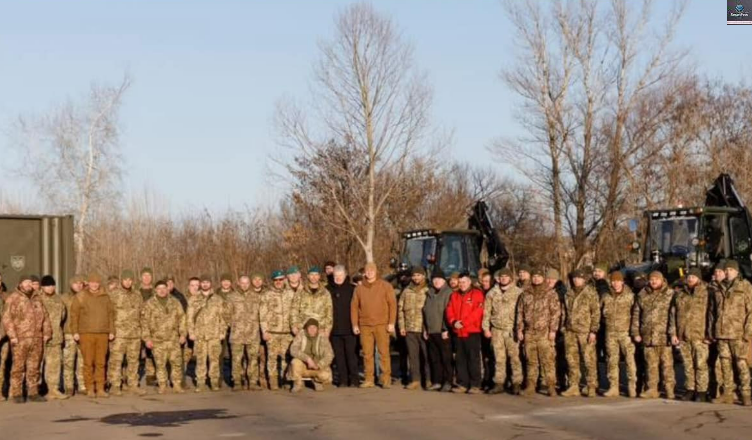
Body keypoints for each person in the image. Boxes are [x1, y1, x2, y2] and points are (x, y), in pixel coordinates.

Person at [2, 274, 51, 403]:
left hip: (37, 338)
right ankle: (17, 393)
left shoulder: (37, 298)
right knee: (18, 367)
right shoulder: (13, 298)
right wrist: (12, 336)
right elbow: (7, 319)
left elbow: (45, 317)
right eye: (26, 282)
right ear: (20, 284)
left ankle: (33, 392)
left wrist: (46, 333)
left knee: (34, 367)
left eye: (30, 282)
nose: (28, 284)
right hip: (20, 338)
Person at [711, 260, 752, 406]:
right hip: (722, 333)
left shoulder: (745, 286)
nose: (727, 272)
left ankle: (746, 393)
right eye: (726, 269)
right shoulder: (718, 287)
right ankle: (727, 393)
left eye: (730, 269)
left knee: (741, 363)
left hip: (738, 333)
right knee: (724, 364)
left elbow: (750, 311)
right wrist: (712, 331)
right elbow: (713, 312)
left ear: (737, 271)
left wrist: (747, 332)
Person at [351, 262, 396, 389]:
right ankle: (369, 379)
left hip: (382, 324)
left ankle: (386, 378)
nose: (370, 272)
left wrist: (391, 323)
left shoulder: (385, 286)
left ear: (376, 271)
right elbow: (354, 307)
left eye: (372, 270)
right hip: (365, 325)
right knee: (367, 353)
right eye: (367, 270)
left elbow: (392, 304)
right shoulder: (359, 288)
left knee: (384, 353)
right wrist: (355, 324)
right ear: (364, 272)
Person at [517, 268, 561, 397]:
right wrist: (519, 329)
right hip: (529, 332)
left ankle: (551, 386)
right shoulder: (525, 294)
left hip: (544, 332)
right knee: (531, 361)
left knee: (548, 360)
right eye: (534, 276)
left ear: (543, 278)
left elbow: (555, 313)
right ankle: (530, 386)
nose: (536, 279)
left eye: (539, 276)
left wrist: (553, 330)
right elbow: (520, 312)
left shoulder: (550, 293)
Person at [70, 273, 115, 398]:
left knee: (101, 362)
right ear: (88, 283)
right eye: (92, 282)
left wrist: (112, 331)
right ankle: (89, 387)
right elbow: (74, 315)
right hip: (86, 333)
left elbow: (111, 314)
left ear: (99, 283)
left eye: (97, 282)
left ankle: (100, 388)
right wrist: (75, 332)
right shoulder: (81, 296)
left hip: (102, 333)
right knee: (88, 362)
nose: (94, 284)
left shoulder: (105, 296)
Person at [632, 271, 676, 399]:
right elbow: (636, 314)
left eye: (656, 279)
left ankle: (669, 389)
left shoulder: (670, 294)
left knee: (667, 366)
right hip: (648, 336)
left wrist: (673, 333)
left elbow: (674, 315)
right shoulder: (642, 294)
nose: (654, 281)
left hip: (664, 337)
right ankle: (652, 389)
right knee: (650, 365)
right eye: (651, 279)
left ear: (662, 280)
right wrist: (635, 332)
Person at [671, 267, 711, 402]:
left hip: (700, 335)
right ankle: (690, 389)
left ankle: (702, 391)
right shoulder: (680, 294)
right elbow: (673, 314)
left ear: (698, 278)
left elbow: (711, 314)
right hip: (684, 335)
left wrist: (709, 334)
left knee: (700, 364)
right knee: (687, 365)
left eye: (693, 277)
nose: (690, 279)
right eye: (688, 277)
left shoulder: (706, 293)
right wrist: (674, 333)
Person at [141, 280, 187, 394]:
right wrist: (147, 339)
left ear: (167, 289)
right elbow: (144, 322)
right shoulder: (150, 303)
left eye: (164, 288)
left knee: (176, 363)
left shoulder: (175, 302)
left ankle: (176, 384)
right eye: (159, 288)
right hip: (157, 339)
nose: (162, 290)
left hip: (173, 338)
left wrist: (183, 334)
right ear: (155, 290)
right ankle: (162, 384)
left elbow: (182, 319)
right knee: (160, 364)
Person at [482, 268, 523, 395]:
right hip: (496, 330)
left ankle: (516, 383)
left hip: (511, 330)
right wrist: (486, 328)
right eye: (502, 276)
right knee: (499, 358)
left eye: (506, 276)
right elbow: (486, 312)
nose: (504, 278)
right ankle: (499, 383)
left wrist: (520, 329)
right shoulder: (492, 293)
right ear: (498, 278)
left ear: (510, 278)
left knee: (514, 357)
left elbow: (521, 312)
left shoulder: (518, 292)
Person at [560, 269, 600, 398]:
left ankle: (591, 386)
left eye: (579, 278)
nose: (576, 280)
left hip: (585, 331)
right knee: (572, 360)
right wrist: (563, 327)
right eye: (574, 278)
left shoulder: (591, 293)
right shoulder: (569, 293)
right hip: (570, 331)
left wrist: (593, 331)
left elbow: (596, 313)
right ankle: (574, 386)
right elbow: (564, 311)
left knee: (589, 360)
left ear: (584, 279)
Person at [108, 270, 146, 396]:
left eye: (130, 280)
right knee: (116, 361)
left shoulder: (137, 295)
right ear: (121, 280)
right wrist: (111, 331)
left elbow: (142, 314)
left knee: (134, 361)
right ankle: (115, 385)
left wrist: (142, 332)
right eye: (125, 280)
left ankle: (133, 385)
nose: (128, 282)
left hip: (135, 334)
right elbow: (109, 314)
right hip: (119, 334)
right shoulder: (114, 294)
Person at [446, 272, 485, 394]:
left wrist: (464, 323)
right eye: (460, 282)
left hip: (472, 331)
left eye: (464, 282)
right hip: (458, 332)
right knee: (460, 359)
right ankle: (462, 383)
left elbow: (478, 312)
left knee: (473, 358)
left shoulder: (477, 294)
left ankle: (475, 384)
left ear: (469, 282)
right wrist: (453, 322)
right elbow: (449, 310)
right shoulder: (454, 295)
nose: (462, 285)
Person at [187, 277, 227, 392]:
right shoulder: (193, 299)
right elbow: (189, 317)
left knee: (214, 359)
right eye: (203, 282)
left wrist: (222, 332)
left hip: (214, 335)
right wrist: (191, 332)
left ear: (211, 283)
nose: (205, 284)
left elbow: (223, 317)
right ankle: (200, 382)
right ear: (201, 284)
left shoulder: (218, 299)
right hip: (200, 335)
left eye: (207, 282)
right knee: (200, 360)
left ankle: (214, 382)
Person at [601, 271, 636, 397]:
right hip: (610, 333)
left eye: (618, 281)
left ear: (622, 282)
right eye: (613, 281)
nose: (615, 283)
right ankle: (613, 387)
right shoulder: (606, 296)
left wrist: (633, 331)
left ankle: (632, 387)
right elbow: (601, 314)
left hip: (626, 333)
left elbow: (636, 314)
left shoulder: (630, 296)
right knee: (611, 360)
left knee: (630, 360)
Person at [260, 270, 295, 390]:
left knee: (287, 358)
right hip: (272, 332)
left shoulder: (291, 293)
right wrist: (264, 331)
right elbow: (262, 314)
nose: (278, 282)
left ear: (284, 279)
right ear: (273, 281)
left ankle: (285, 379)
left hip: (287, 332)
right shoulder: (267, 294)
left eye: (280, 279)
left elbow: (295, 312)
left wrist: (295, 328)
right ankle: (273, 381)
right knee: (272, 358)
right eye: (276, 280)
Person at [227, 274, 263, 391]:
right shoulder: (231, 297)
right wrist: (233, 325)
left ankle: (252, 382)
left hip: (253, 333)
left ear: (250, 283)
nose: (244, 285)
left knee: (253, 359)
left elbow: (261, 314)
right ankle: (237, 382)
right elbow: (226, 314)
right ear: (238, 283)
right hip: (237, 334)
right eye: (242, 283)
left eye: (247, 283)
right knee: (236, 359)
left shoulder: (256, 297)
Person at [398, 266, 430, 390]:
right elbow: (400, 309)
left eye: (419, 275)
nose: (416, 277)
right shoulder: (407, 291)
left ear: (423, 276)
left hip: (423, 329)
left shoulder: (428, 290)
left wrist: (428, 328)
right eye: (414, 275)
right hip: (410, 328)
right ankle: (415, 379)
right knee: (413, 356)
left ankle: (428, 379)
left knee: (426, 356)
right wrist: (402, 326)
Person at [329, 265, 359, 388]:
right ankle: (343, 380)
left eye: (340, 276)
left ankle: (354, 380)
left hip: (350, 328)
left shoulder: (353, 289)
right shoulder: (328, 289)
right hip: (334, 330)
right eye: (336, 276)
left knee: (351, 355)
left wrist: (356, 324)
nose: (338, 278)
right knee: (339, 356)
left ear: (345, 275)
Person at [423, 269, 453, 392]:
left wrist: (446, 328)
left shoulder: (448, 293)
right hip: (431, 331)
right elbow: (425, 312)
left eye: (439, 279)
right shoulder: (429, 294)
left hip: (443, 331)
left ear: (444, 280)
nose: (436, 281)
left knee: (446, 358)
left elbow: (449, 312)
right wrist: (425, 329)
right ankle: (437, 381)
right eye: (434, 279)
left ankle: (448, 381)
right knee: (434, 358)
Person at [38, 275, 68, 400]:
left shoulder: (59, 300)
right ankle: (35, 390)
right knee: (37, 365)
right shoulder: (38, 299)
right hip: (40, 338)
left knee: (54, 365)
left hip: (55, 337)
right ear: (42, 287)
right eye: (47, 286)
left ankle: (53, 389)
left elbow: (63, 316)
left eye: (52, 285)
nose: (50, 288)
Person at [289, 318, 334, 393]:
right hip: (303, 364)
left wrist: (318, 365)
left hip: (317, 365)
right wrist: (307, 359)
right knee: (295, 362)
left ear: (317, 329)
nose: (312, 329)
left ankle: (317, 381)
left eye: (314, 327)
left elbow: (330, 355)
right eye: (310, 327)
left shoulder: (322, 337)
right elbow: (293, 350)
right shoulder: (301, 335)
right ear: (306, 328)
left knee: (327, 376)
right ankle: (297, 383)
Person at [60, 275, 87, 396]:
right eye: (76, 283)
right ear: (71, 285)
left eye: (81, 283)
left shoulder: (87, 297)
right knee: (68, 361)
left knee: (82, 362)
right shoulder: (64, 298)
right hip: (69, 333)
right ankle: (69, 386)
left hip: (83, 333)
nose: (79, 285)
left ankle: (82, 385)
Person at [291, 267, 333, 337]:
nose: (314, 277)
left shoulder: (325, 293)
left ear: (319, 276)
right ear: (308, 276)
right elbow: (294, 310)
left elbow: (329, 312)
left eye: (316, 275)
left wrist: (328, 329)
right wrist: (294, 326)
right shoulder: (300, 292)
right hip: (303, 329)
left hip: (320, 329)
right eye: (312, 275)